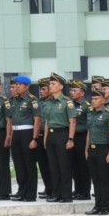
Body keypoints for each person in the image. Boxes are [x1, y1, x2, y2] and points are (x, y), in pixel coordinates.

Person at [43, 73, 77, 203]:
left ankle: (66, 195)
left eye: (53, 84)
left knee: (64, 166)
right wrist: (46, 137)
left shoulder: (67, 102)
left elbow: (72, 121)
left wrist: (70, 139)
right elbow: (47, 121)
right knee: (53, 166)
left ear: (61, 86)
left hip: (62, 134)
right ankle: (56, 194)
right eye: (50, 84)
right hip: (51, 135)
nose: (50, 86)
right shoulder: (49, 102)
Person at [8, 75, 41, 202]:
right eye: (16, 85)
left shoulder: (32, 100)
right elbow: (11, 120)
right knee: (19, 164)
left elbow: (37, 120)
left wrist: (34, 138)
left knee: (29, 164)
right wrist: (10, 136)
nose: (17, 87)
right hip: (16, 133)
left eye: (20, 85)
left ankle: (31, 193)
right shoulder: (14, 100)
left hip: (27, 133)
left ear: (27, 86)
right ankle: (22, 191)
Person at [85, 87, 109, 215]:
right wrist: (86, 149)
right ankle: (97, 205)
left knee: (104, 179)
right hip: (92, 149)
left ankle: (105, 206)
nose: (93, 101)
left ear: (103, 100)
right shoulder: (90, 113)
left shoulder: (108, 114)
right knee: (95, 179)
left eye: (96, 98)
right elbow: (88, 133)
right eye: (92, 98)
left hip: (103, 148)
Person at [68, 80, 92, 200]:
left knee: (83, 166)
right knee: (74, 165)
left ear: (82, 93)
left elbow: (89, 126)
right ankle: (77, 189)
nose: (72, 93)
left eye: (75, 90)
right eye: (71, 90)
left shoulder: (87, 106)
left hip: (82, 137)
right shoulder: (69, 105)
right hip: (71, 137)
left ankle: (85, 192)